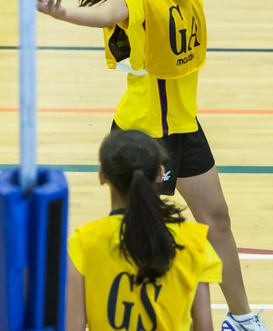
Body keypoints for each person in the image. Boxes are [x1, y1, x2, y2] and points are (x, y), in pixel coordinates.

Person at [39, 0, 273, 331]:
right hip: (147, 139)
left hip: (184, 125)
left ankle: (243, 318)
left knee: (218, 221)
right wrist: (62, 13)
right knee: (144, 234)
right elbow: (104, 13)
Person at [66, 129, 222, 331]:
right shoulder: (194, 242)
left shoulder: (82, 243)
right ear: (160, 174)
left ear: (102, 175)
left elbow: (72, 327)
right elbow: (204, 328)